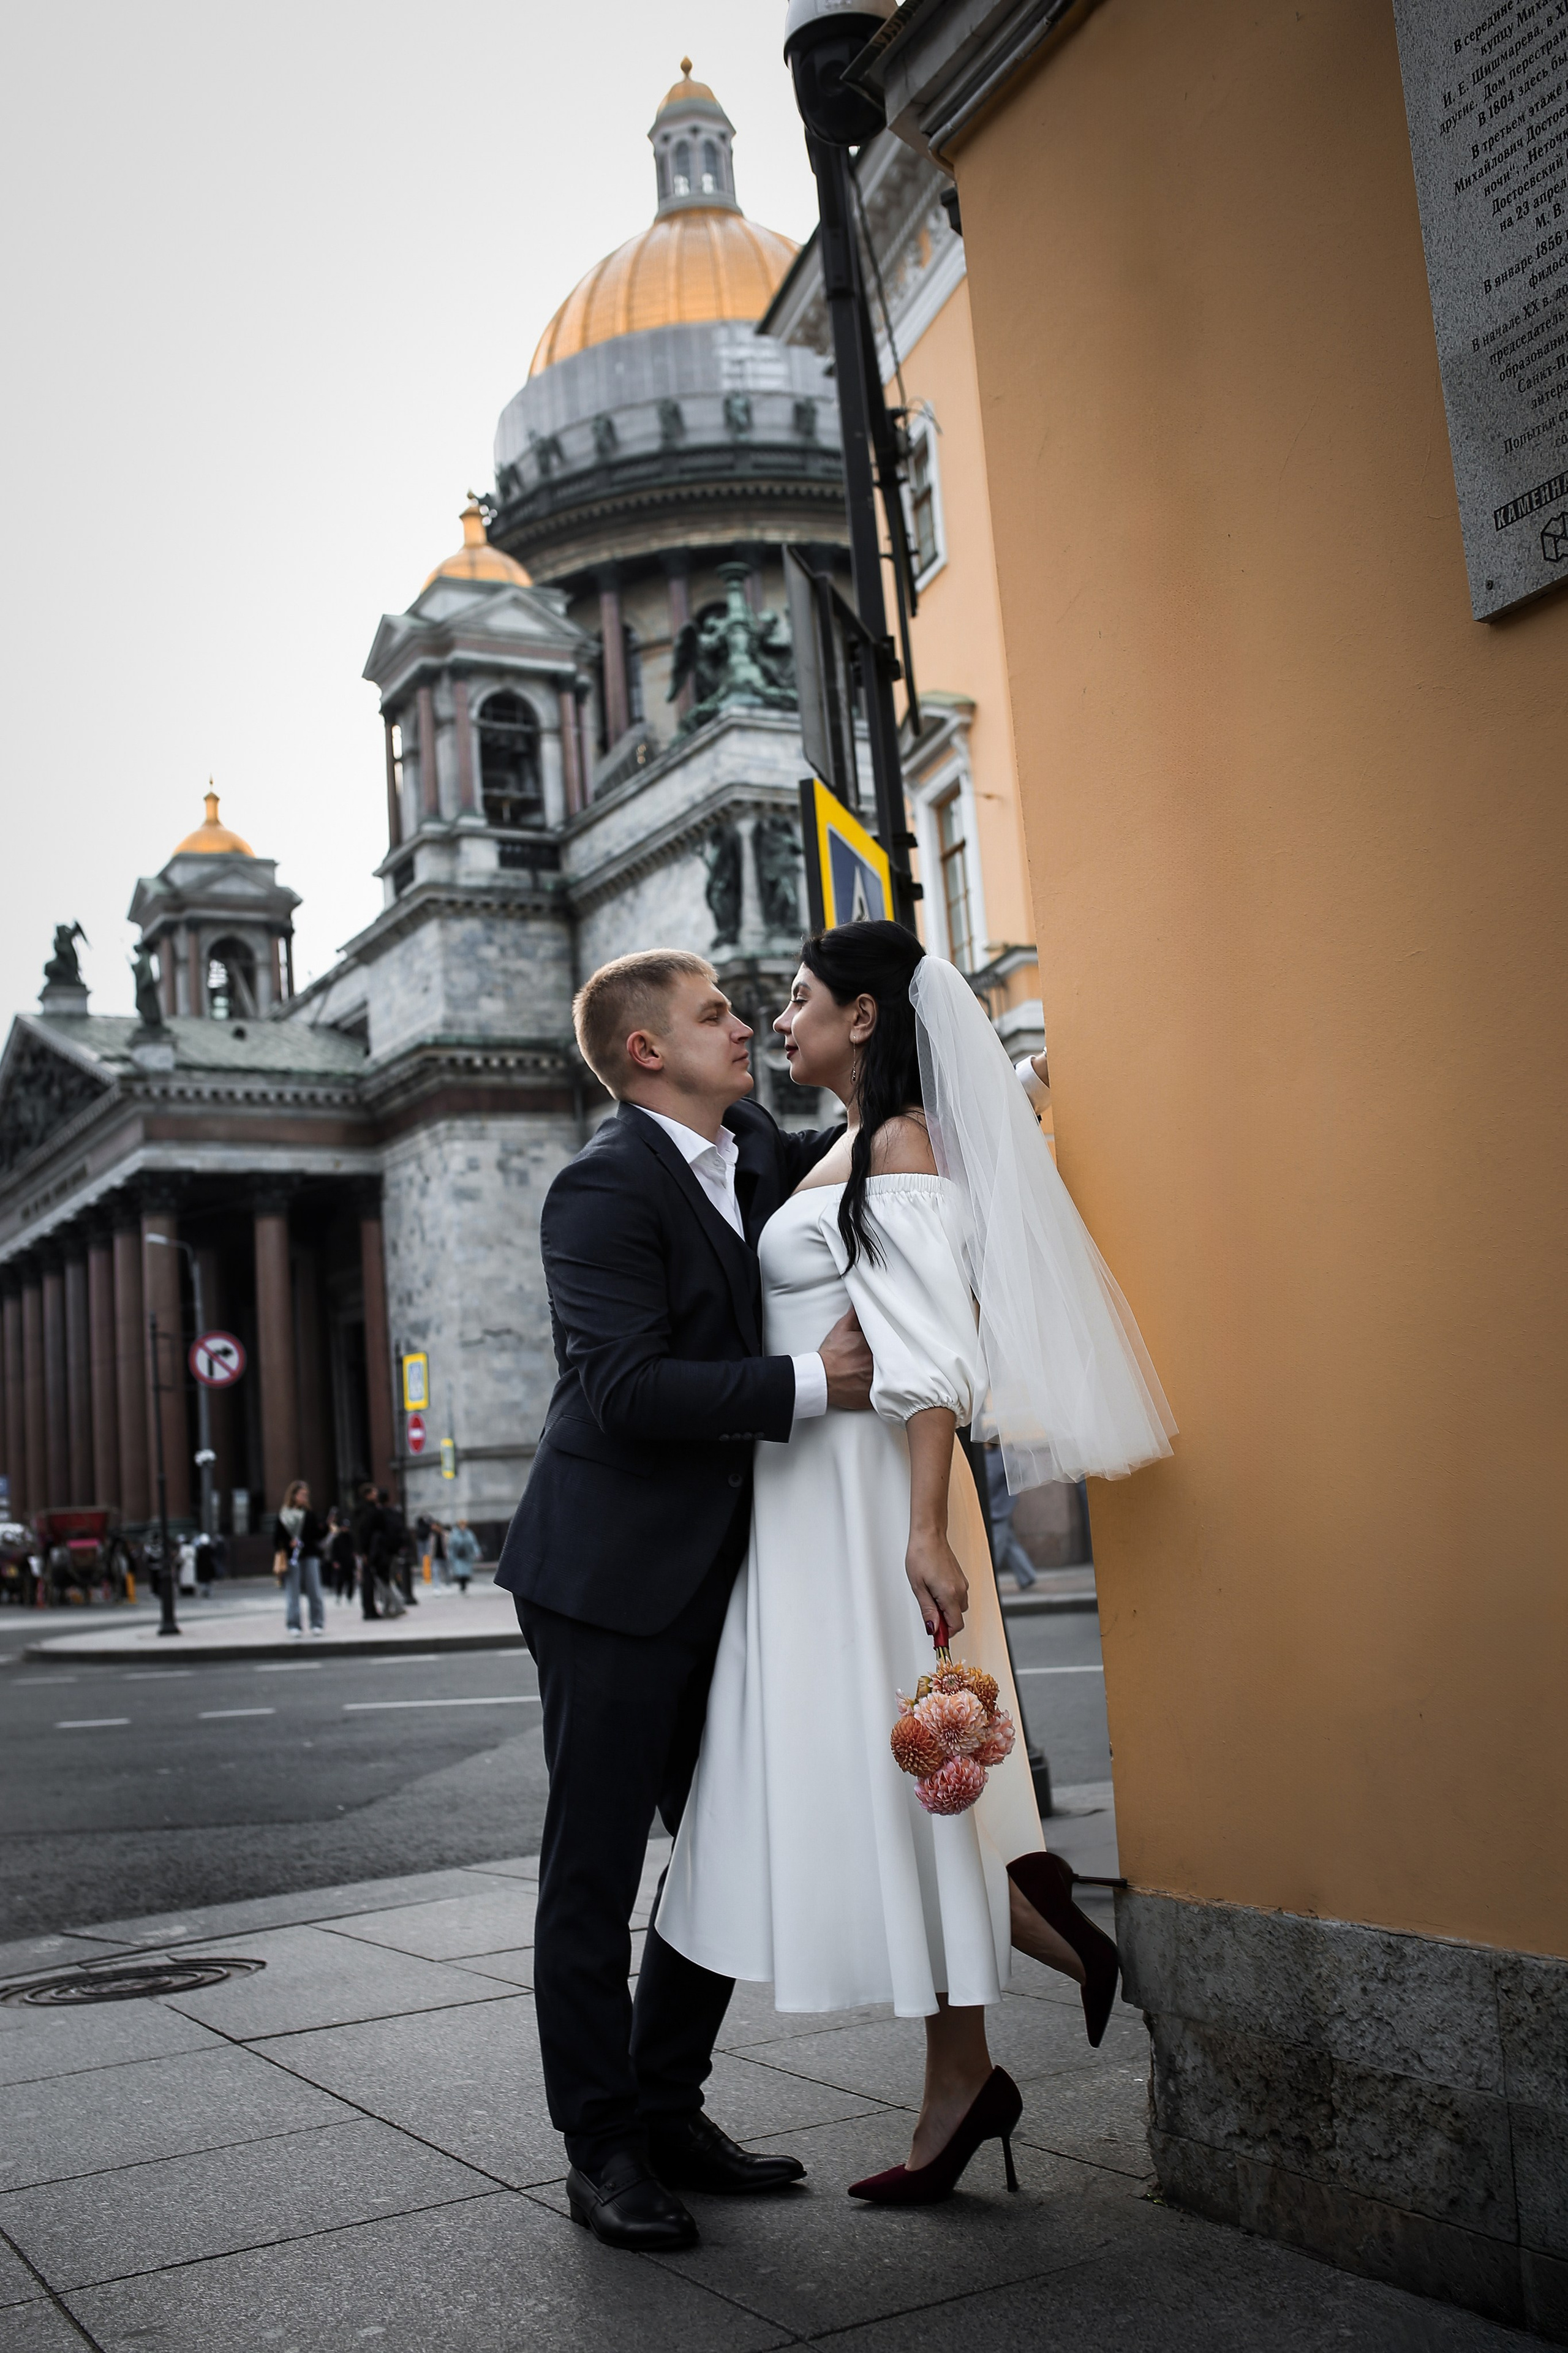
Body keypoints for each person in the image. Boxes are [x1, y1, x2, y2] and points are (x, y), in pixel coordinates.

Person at [657, 922, 1175, 2207]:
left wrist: (925, 1529)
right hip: (808, 1512)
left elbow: (929, 1362)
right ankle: (971, 2059)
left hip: (858, 1515)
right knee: (883, 1783)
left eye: (796, 1001)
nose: (777, 1022)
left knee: (887, 1777)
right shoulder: (837, 1144)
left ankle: (1037, 1946)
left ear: (867, 1018)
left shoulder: (894, 1147)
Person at [496, 947, 878, 2253]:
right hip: (605, 1576)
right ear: (649, 1050)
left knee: (726, 1851)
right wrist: (810, 1386)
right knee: (592, 1875)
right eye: (717, 1013)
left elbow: (866, 1155)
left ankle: (667, 2108)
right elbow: (622, 1390)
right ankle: (600, 2147)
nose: (743, 1026)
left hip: (727, 1576)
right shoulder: (598, 1189)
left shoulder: (757, 1144)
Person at [273, 1479, 328, 1639]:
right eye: (302, 1495)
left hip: (310, 1555)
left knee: (315, 1592)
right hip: (292, 1558)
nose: (305, 1498)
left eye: (306, 1495)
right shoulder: (284, 1515)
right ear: (294, 1495)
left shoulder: (309, 1514)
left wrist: (325, 1527)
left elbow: (316, 1536)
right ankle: (294, 1625)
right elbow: (277, 1540)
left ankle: (317, 1624)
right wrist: (288, 1544)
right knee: (293, 1594)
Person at [983, 1438, 1038, 1591]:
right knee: (1009, 1544)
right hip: (1001, 1507)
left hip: (998, 1509)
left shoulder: (999, 1457)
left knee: (997, 1546)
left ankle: (989, 1578)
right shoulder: (1001, 1456)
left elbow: (990, 1482)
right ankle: (1027, 1576)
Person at [326, 1508, 358, 1604]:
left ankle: (349, 1597)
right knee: (340, 1580)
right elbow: (334, 1551)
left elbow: (354, 1550)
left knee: (350, 1580)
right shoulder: (337, 1539)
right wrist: (335, 1561)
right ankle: (339, 1595)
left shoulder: (351, 1538)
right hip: (340, 1562)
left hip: (349, 1562)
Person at [448, 1517, 481, 1592]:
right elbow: (451, 1546)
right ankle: (461, 1585)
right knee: (460, 1571)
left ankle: (464, 1585)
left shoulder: (469, 1534)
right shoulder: (455, 1534)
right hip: (458, 1556)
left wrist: (477, 1553)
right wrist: (450, 1555)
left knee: (466, 1572)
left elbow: (474, 1544)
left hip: (467, 1556)